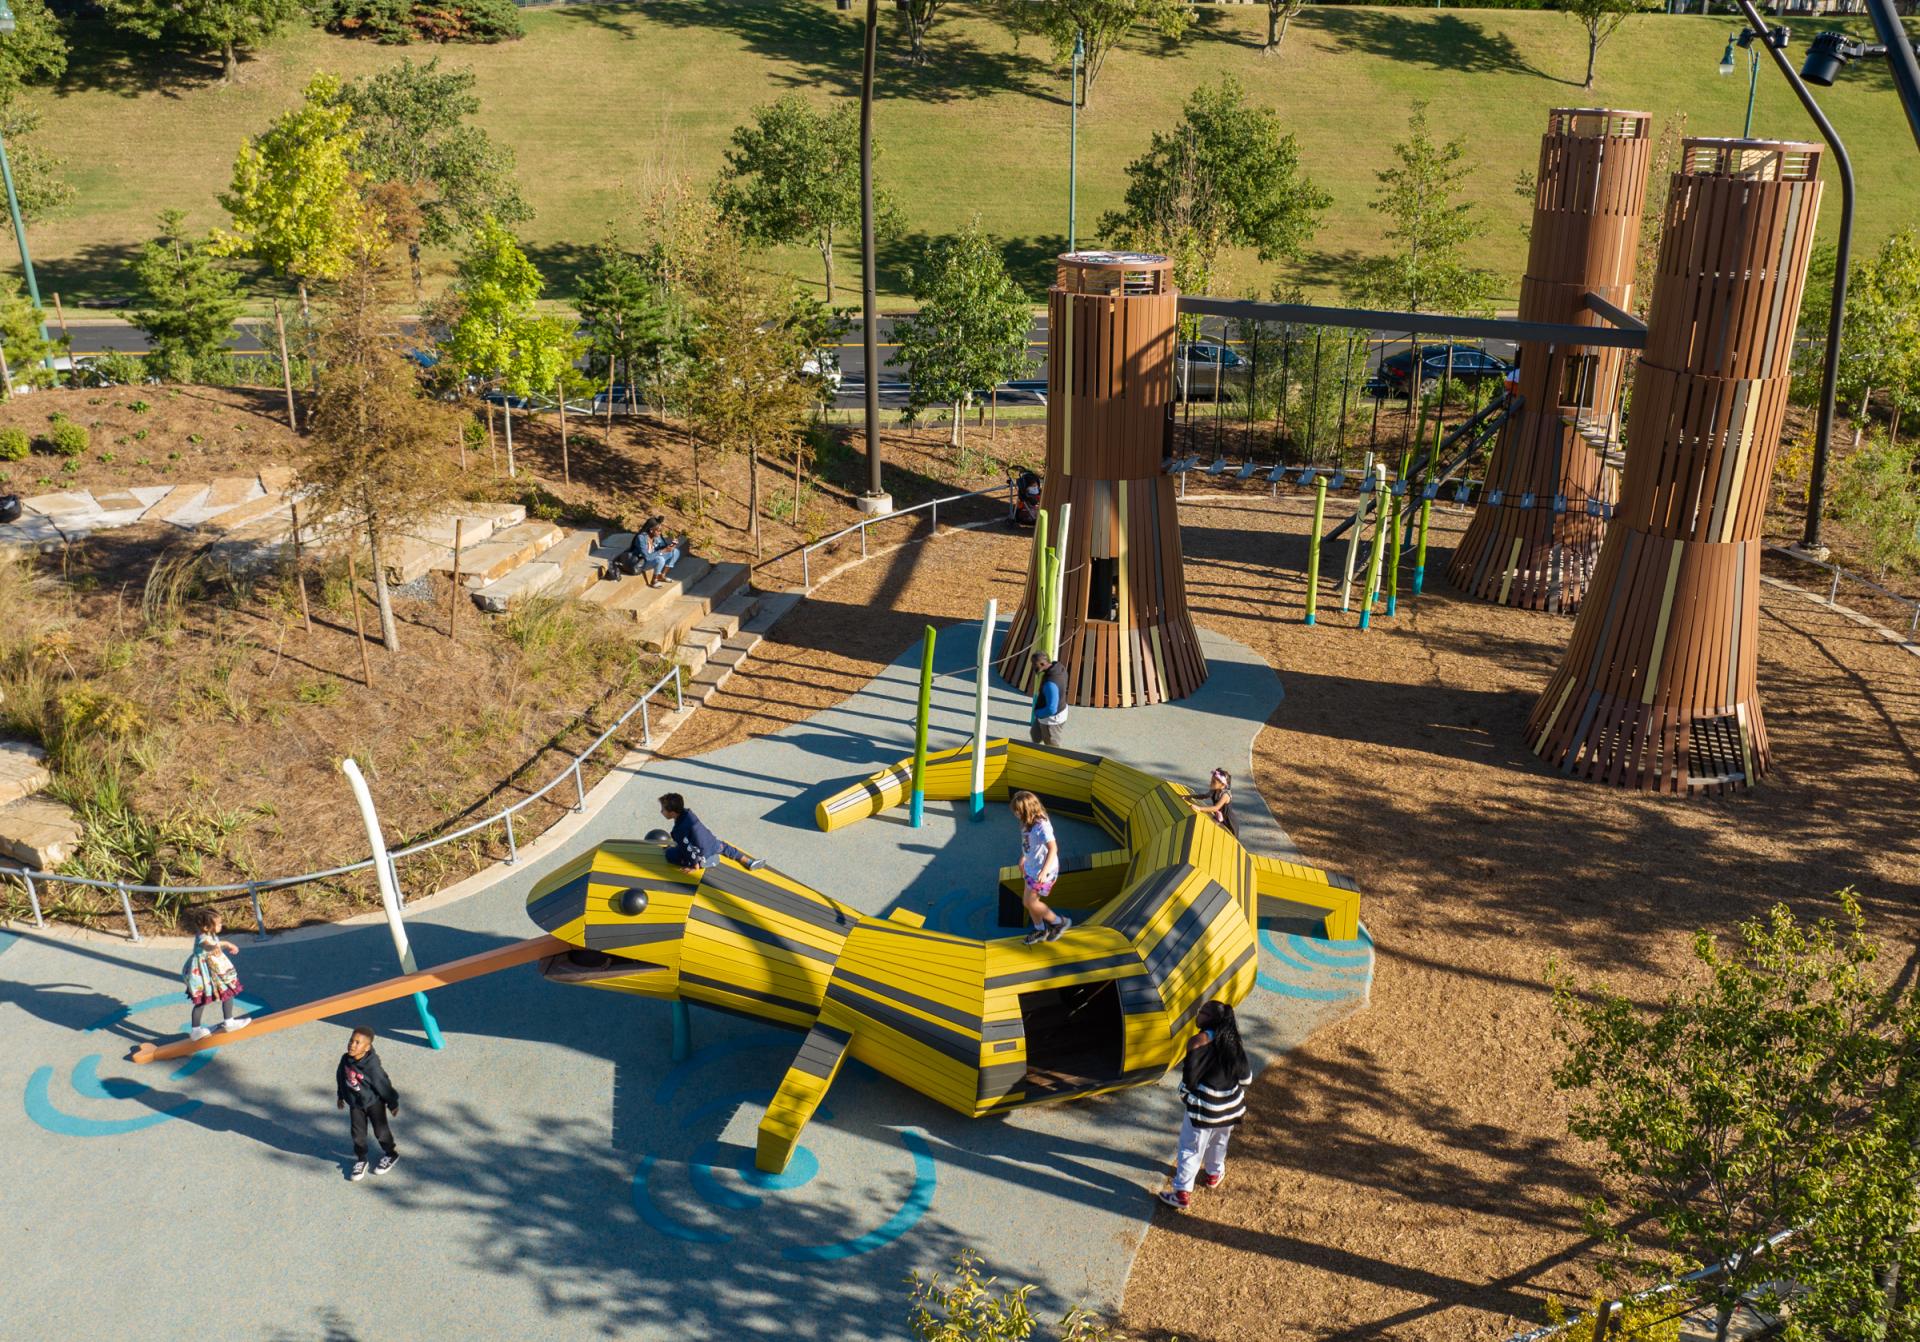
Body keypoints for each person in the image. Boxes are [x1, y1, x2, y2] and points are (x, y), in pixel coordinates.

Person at [1157, 1000, 1252, 1211]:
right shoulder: (1233, 1042)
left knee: (1191, 1148)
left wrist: (1185, 1096)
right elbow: (1246, 1079)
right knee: (1220, 1141)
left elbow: (1189, 1079)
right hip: (1230, 1107)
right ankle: (1213, 1174)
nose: (1198, 1014)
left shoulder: (1197, 1042)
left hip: (1204, 1108)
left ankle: (1181, 1193)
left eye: (1203, 1012)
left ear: (1211, 1019)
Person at [336, 1026, 400, 1182]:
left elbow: (383, 1084)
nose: (352, 1045)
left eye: (358, 1043)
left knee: (380, 1131)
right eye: (352, 1040)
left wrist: (392, 1102)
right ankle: (361, 1159)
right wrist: (341, 1096)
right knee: (357, 1134)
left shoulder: (372, 1067)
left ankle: (391, 1154)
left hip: (373, 1103)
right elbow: (340, 1077)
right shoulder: (345, 1059)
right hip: (355, 1104)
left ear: (367, 1047)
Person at [181, 907, 251, 1041]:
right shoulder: (203, 938)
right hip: (204, 974)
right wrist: (224, 944)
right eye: (218, 924)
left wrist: (223, 944)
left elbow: (214, 944)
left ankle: (226, 1022)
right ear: (207, 927)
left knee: (227, 992)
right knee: (202, 1001)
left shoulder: (208, 933)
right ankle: (197, 1030)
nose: (221, 925)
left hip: (213, 971)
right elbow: (208, 946)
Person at [1010, 789, 1069, 944]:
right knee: (1027, 902)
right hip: (1031, 867)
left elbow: (1053, 848)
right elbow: (1029, 843)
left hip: (1043, 872)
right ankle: (1040, 929)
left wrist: (1044, 872)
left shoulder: (1042, 826)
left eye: (1018, 811)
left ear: (1027, 810)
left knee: (1032, 902)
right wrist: (1023, 857)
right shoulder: (1026, 822)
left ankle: (1058, 922)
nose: (1015, 814)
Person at [659, 793, 766, 873]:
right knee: (725, 847)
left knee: (670, 854)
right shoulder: (688, 813)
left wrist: (694, 865)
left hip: (701, 853)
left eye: (663, 810)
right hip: (712, 842)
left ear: (672, 813)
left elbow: (687, 849)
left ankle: (702, 862)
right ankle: (748, 862)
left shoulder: (678, 830)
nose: (661, 812)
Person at [615, 516, 684, 586]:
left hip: (654, 556)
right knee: (660, 559)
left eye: (661, 530)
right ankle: (654, 581)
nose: (660, 533)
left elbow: (663, 547)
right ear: (651, 530)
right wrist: (663, 551)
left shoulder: (657, 536)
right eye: (659, 530)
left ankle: (662, 576)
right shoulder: (641, 538)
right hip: (642, 561)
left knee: (675, 552)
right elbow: (647, 557)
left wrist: (671, 546)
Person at [1029, 653, 1069, 746]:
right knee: (1035, 735)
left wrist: (1037, 713)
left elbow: (1051, 709)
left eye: (1034, 664)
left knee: (1051, 746)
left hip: (1051, 720)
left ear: (1042, 664)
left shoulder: (1050, 684)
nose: (1033, 666)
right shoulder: (1060, 669)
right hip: (1053, 712)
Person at [1188, 768, 1239, 838]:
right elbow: (1204, 796)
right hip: (1220, 818)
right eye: (1211, 781)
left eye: (1214, 782)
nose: (1211, 783)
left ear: (1223, 785)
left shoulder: (1225, 795)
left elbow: (1216, 808)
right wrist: (1190, 796)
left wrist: (1199, 808)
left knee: (1230, 839)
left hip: (1229, 821)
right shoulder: (1214, 790)